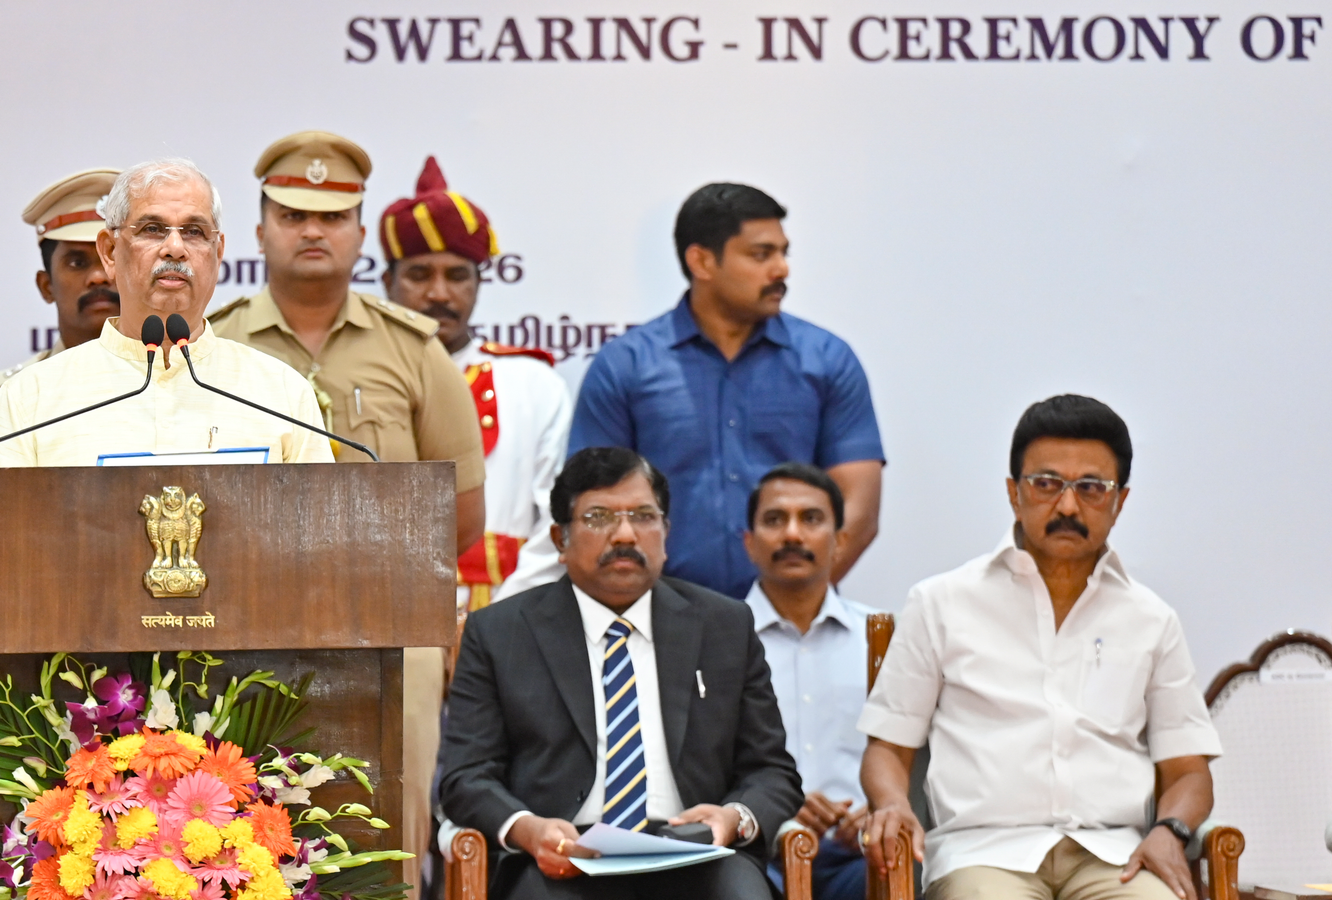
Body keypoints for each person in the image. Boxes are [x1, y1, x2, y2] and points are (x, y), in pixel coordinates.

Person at [207, 132, 487, 899]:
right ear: (259, 229)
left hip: (393, 633)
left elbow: (461, 517)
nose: (312, 230)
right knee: (239, 833)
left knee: (394, 838)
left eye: (332, 216)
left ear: (361, 234)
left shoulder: (413, 350)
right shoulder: (214, 343)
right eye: (292, 213)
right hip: (243, 630)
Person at [858, 395, 1222, 900]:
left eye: (1092, 488)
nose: (1068, 506)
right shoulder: (941, 603)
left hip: (1112, 857)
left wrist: (1171, 830)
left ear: (1120, 501)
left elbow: (1188, 773)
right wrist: (891, 803)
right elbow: (887, 749)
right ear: (1014, 493)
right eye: (1047, 484)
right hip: (982, 858)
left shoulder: (1151, 619)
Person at [439, 446, 803, 900]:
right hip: (562, 860)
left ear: (666, 532)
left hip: (695, 856)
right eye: (598, 517)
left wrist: (733, 816)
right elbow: (465, 777)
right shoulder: (500, 633)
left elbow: (772, 770)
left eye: (644, 516)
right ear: (559, 538)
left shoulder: (725, 625)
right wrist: (527, 830)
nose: (625, 534)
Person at [567, 183, 884, 600]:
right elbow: (592, 506)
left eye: (783, 252)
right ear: (701, 260)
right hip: (663, 626)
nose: (781, 269)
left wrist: (786, 608)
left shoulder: (826, 360)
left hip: (791, 629)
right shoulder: (626, 367)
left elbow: (857, 510)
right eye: (760, 254)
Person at [0, 159, 332, 466]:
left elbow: (321, 526)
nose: (175, 247)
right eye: (153, 229)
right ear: (110, 251)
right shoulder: (29, 399)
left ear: (218, 253)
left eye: (194, 232)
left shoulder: (281, 393)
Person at [380, 156, 572, 610]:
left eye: (458, 276)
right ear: (387, 282)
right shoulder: (360, 379)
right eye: (420, 275)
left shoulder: (534, 384)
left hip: (514, 618)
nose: (440, 294)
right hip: (386, 614)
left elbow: (558, 522)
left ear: (480, 283)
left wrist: (502, 629)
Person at [743, 463, 872, 900]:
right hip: (756, 851)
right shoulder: (717, 642)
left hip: (861, 852)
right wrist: (773, 807)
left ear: (840, 542)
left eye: (811, 519)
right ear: (749, 542)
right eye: (775, 520)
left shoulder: (883, 639)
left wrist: (883, 812)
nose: (793, 535)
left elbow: (911, 756)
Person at [4, 168, 121, 383]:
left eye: (112, 257)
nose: (98, 276)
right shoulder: (12, 397)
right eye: (77, 263)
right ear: (46, 287)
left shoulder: (182, 386)